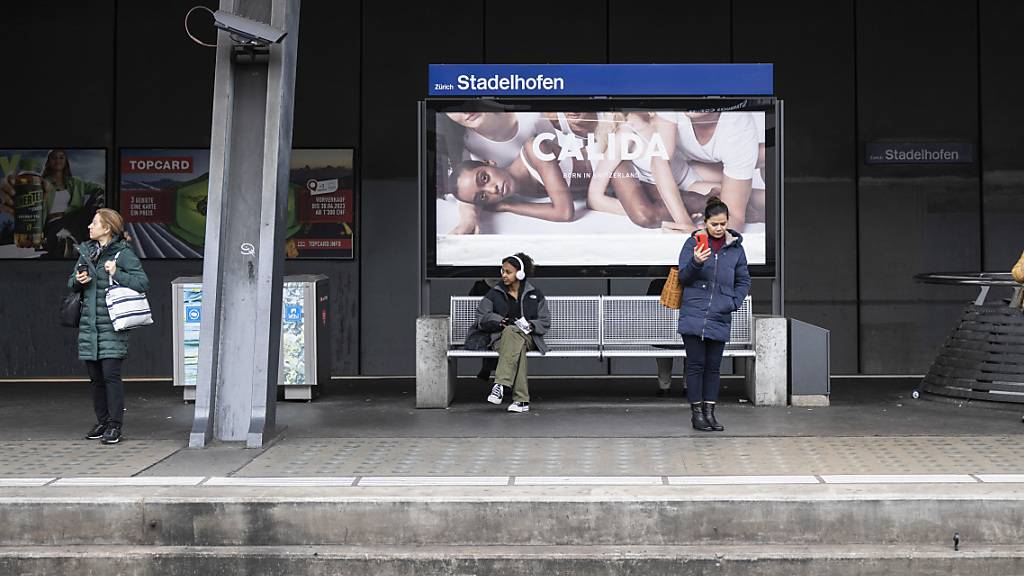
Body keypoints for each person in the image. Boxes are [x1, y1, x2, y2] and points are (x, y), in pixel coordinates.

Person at [69, 208, 149, 444]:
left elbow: (143, 282)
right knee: (95, 379)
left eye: (94, 223)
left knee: (110, 377)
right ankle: (102, 421)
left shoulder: (122, 254)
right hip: (89, 326)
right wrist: (78, 280)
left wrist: (117, 274)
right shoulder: (86, 252)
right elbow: (71, 281)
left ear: (107, 228)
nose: (89, 227)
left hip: (112, 326)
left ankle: (115, 425)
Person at [677, 197, 751, 431]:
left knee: (714, 367)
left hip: (720, 313)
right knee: (696, 365)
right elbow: (683, 277)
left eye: (722, 224)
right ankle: (696, 413)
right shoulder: (693, 244)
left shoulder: (736, 249)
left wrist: (733, 302)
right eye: (714, 224)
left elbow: (743, 279)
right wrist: (697, 262)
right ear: (705, 222)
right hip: (694, 313)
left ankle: (710, 412)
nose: (719, 228)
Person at [467, 253, 550, 412]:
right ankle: (521, 401)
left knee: (513, 334)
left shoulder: (535, 295)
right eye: (502, 271)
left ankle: (500, 384)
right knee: (514, 342)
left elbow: (545, 321)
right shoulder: (494, 293)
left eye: (508, 272)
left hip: (529, 338)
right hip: (500, 338)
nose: (504, 275)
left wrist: (531, 325)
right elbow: (481, 318)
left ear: (519, 274)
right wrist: (497, 320)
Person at [655, 111, 762, 231]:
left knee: (764, 202)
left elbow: (734, 216)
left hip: (693, 170)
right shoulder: (674, 103)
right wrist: (684, 223)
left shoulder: (738, 125)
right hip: (688, 170)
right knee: (756, 203)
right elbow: (660, 162)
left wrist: (703, 237)